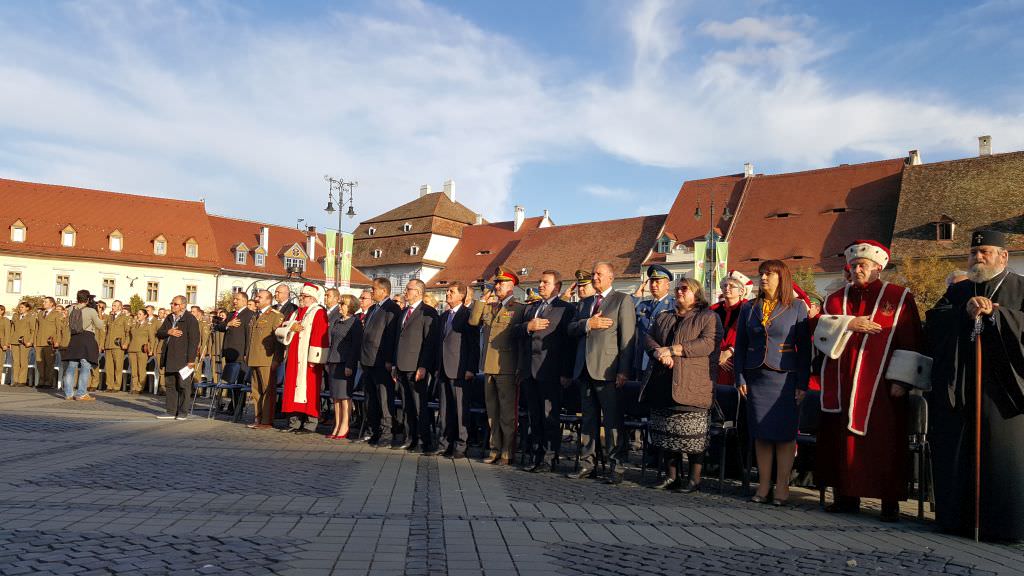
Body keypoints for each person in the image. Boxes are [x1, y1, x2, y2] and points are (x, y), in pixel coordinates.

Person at [813, 240, 925, 521]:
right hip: (843, 382)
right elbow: (819, 331)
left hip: (883, 388)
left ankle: (889, 503)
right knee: (843, 442)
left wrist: (903, 380)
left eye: (862, 265)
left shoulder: (898, 297)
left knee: (884, 443)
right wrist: (849, 323)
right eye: (853, 265)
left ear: (878, 267)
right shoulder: (835, 299)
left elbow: (911, 338)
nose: (856, 269)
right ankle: (847, 497)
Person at [927, 229, 1024, 541]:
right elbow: (935, 322)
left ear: (1003, 257)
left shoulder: (1020, 287)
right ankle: (957, 520)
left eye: (985, 253)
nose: (978, 258)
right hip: (963, 384)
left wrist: (998, 315)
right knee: (958, 449)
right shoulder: (960, 290)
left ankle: (1004, 525)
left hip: (1005, 389)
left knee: (1003, 456)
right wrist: (963, 314)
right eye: (973, 253)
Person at [733, 260, 810, 505]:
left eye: (769, 274)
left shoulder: (796, 307)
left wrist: (802, 383)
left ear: (781, 278)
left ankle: (782, 486)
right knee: (761, 434)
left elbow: (805, 349)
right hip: (756, 377)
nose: (763, 278)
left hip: (785, 379)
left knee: (785, 436)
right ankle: (763, 485)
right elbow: (741, 345)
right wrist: (740, 377)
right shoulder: (749, 308)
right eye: (761, 274)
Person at [643, 277, 723, 492]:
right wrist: (659, 353)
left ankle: (694, 479)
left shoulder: (708, 317)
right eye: (677, 289)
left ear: (696, 293)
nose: (679, 292)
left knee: (693, 437)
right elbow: (648, 338)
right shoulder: (664, 316)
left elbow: (707, 344)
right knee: (667, 433)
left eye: (684, 289)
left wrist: (672, 350)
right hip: (664, 382)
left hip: (694, 385)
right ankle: (672, 476)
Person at [566, 262, 637, 484]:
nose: (594, 277)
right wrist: (589, 323)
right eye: (594, 274)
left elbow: (627, 339)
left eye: (599, 274)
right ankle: (588, 464)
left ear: (611, 277)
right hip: (585, 369)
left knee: (613, 421)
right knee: (588, 420)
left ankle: (616, 466)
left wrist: (624, 370)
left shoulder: (621, 300)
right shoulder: (585, 302)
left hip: (608, 371)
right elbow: (571, 329)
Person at [515, 270, 574, 472]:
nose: (540, 285)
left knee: (550, 416)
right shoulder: (532, 308)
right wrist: (528, 327)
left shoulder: (565, 309)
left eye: (545, 282)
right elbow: (516, 332)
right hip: (530, 371)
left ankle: (549, 458)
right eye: (540, 281)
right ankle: (536, 455)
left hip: (551, 370)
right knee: (535, 415)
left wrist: (566, 372)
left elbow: (568, 343)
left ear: (557, 287)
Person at [469, 266, 526, 466]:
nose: (497, 286)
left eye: (501, 283)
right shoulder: (490, 306)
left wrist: (520, 367)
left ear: (511, 286)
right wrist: (483, 299)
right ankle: (494, 449)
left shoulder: (519, 309)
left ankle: (507, 452)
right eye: (496, 283)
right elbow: (473, 320)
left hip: (507, 368)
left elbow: (521, 341)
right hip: (489, 367)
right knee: (492, 412)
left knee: (507, 414)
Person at [275, 283, 330, 434]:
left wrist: (315, 359)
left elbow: (320, 336)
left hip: (308, 359)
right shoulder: (296, 312)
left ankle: (310, 423)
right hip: (294, 358)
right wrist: (291, 327)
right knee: (292, 389)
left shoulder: (318, 312)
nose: (301, 299)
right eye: (301, 296)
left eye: (304, 296)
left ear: (312, 298)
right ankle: (294, 421)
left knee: (309, 391)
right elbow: (282, 326)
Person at [392, 279, 439, 452]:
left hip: (416, 366)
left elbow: (429, 342)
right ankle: (410, 437)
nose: (406, 291)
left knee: (420, 406)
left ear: (418, 292)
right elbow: (398, 339)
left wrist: (423, 366)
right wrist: (395, 364)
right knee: (407, 406)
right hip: (402, 365)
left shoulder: (428, 312)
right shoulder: (404, 312)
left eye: (409, 289)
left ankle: (423, 440)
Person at [434, 282, 479, 459]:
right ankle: (445, 442)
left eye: (451, 292)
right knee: (445, 409)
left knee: (460, 409)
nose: (447, 294)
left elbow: (474, 345)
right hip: (444, 368)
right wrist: (438, 367)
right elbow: (441, 343)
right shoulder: (445, 316)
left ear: (462, 295)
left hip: (460, 369)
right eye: (447, 291)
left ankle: (461, 446)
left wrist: (470, 368)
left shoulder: (468, 315)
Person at [359, 278, 402, 446]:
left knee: (384, 399)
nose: (371, 291)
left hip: (381, 361)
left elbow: (391, 336)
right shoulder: (373, 309)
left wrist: (389, 360)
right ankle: (373, 430)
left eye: (374, 289)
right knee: (371, 399)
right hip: (368, 360)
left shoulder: (391, 309)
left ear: (384, 291)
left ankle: (386, 433)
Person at [155, 296, 200, 420]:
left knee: (183, 385)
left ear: (183, 306)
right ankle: (170, 411)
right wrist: (168, 332)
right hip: (169, 356)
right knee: (170, 384)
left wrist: (191, 359)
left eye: (175, 304)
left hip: (183, 358)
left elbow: (194, 340)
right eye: (172, 303)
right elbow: (159, 333)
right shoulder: (169, 318)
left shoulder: (190, 319)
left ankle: (182, 412)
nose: (172, 306)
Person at [325, 292, 362, 440]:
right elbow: (332, 342)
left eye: (343, 304)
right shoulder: (337, 321)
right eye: (340, 304)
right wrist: (328, 361)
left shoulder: (355, 322)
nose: (340, 307)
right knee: (336, 397)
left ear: (350, 306)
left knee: (344, 396)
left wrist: (350, 365)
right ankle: (337, 424)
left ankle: (345, 425)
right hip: (334, 361)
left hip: (345, 363)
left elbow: (355, 346)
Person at [246, 290, 284, 429]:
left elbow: (279, 340)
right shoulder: (255, 315)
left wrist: (277, 359)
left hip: (267, 359)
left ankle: (267, 420)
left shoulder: (276, 316)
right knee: (256, 390)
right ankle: (258, 417)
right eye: (256, 297)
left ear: (269, 300)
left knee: (268, 390)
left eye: (259, 297)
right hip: (254, 357)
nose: (256, 299)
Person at [710, 271, 752, 386]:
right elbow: (707, 335)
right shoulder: (712, 310)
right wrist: (718, 354)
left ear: (741, 291)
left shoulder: (749, 310)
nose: (727, 288)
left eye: (731, 286)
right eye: (724, 285)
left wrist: (729, 352)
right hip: (715, 362)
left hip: (740, 363)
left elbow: (750, 336)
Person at [633, 265, 676, 376]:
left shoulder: (674, 305)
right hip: (642, 358)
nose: (653, 285)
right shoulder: (642, 305)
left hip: (663, 360)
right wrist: (636, 296)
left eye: (658, 282)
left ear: (667, 285)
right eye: (651, 282)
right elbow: (625, 313)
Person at [62, 291, 104, 401]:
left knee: (71, 366)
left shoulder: (71, 309)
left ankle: (68, 393)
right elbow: (100, 325)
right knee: (85, 366)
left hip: (74, 338)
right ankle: (81, 393)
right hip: (87, 338)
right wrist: (98, 312)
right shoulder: (91, 311)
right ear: (87, 300)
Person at [102, 300, 131, 392]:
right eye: (113, 305)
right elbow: (105, 332)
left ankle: (117, 386)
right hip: (108, 344)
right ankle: (109, 385)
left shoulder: (125, 318)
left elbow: (128, 332)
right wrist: (103, 344)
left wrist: (126, 343)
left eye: (115, 305)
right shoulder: (110, 317)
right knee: (109, 366)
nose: (113, 307)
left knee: (118, 366)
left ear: (120, 307)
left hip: (118, 345)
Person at [34, 297, 63, 388]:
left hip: (49, 342)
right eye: (43, 302)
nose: (43, 303)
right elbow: (36, 328)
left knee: (49, 363)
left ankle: (48, 382)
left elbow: (59, 329)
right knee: (40, 363)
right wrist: (35, 341)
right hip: (39, 341)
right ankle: (41, 381)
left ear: (52, 304)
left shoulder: (56, 314)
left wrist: (57, 341)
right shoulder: (40, 314)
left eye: (46, 302)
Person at [127, 309, 155, 394]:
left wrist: (151, 350)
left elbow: (152, 339)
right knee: (134, 369)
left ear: (145, 316)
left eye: (140, 314)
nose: (138, 315)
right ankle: (134, 387)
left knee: (141, 369)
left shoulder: (148, 326)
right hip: (132, 349)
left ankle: (140, 387)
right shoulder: (134, 325)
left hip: (142, 350)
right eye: (137, 314)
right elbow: (129, 336)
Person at [10, 302, 36, 387]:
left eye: (22, 307)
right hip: (14, 340)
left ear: (27, 308)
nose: (20, 309)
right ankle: (15, 380)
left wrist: (30, 341)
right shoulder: (16, 316)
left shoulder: (31, 317)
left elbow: (33, 330)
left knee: (23, 361)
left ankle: (22, 380)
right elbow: (12, 329)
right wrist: (10, 341)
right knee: (15, 361)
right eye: (19, 307)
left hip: (24, 341)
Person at [89, 300, 108, 392]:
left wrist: (101, 344)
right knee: (86, 364)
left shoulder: (103, 317)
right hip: (88, 341)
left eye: (100, 307)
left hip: (96, 342)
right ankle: (88, 382)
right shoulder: (91, 315)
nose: (98, 308)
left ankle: (94, 383)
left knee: (94, 364)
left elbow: (102, 331)